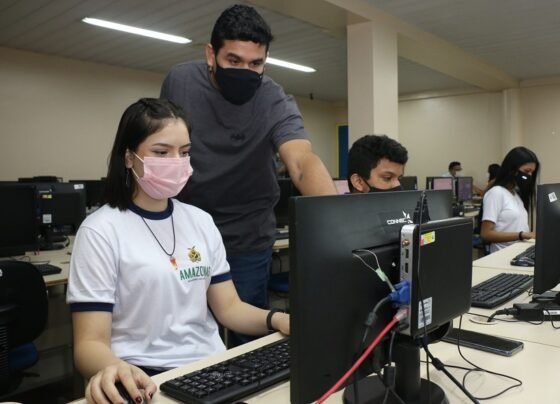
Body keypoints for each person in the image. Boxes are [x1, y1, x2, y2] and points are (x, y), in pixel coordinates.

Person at [66, 98, 290, 403]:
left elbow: (229, 308)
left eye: (184, 152)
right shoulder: (100, 230)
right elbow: (88, 344)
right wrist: (116, 369)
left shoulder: (200, 221)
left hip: (211, 369)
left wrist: (277, 319)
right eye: (161, 152)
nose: (176, 161)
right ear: (129, 157)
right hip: (145, 377)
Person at [160, 4, 335, 340]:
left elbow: (301, 161)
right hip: (186, 234)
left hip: (247, 237)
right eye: (234, 60)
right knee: (185, 334)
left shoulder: (274, 99)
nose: (245, 71)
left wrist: (339, 224)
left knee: (248, 335)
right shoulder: (180, 81)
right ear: (211, 54)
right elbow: (162, 142)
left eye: (255, 63)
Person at [480, 147, 539, 253]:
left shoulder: (515, 194)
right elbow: (486, 234)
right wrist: (522, 235)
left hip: (518, 252)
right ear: (513, 169)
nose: (529, 176)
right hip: (503, 255)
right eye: (527, 171)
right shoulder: (496, 193)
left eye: (532, 172)